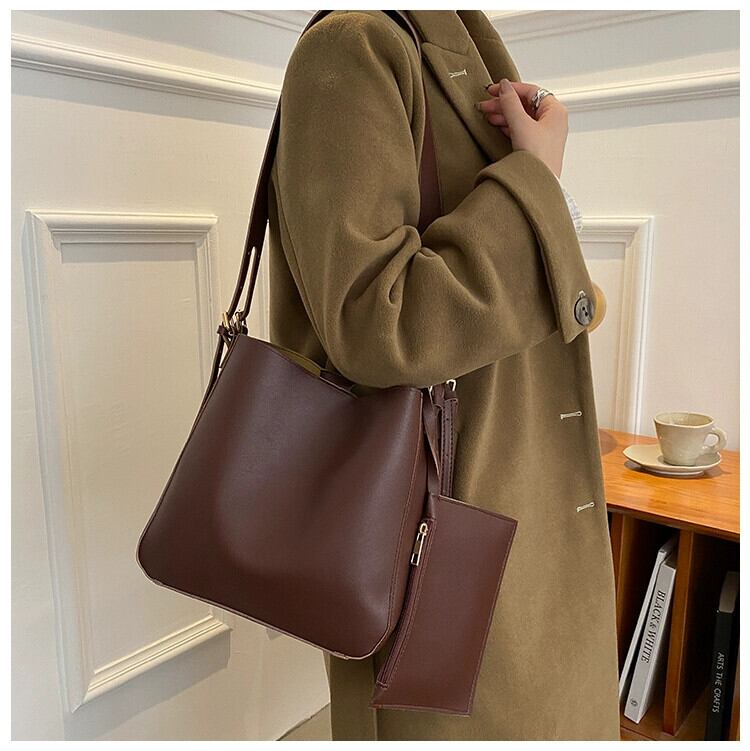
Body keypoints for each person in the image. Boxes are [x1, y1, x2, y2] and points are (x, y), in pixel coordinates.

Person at [266, 9, 620, 741]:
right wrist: (534, 177)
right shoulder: (355, 48)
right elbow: (377, 321)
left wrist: (540, 184)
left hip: (501, 495)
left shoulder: (463, 44)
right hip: (443, 526)